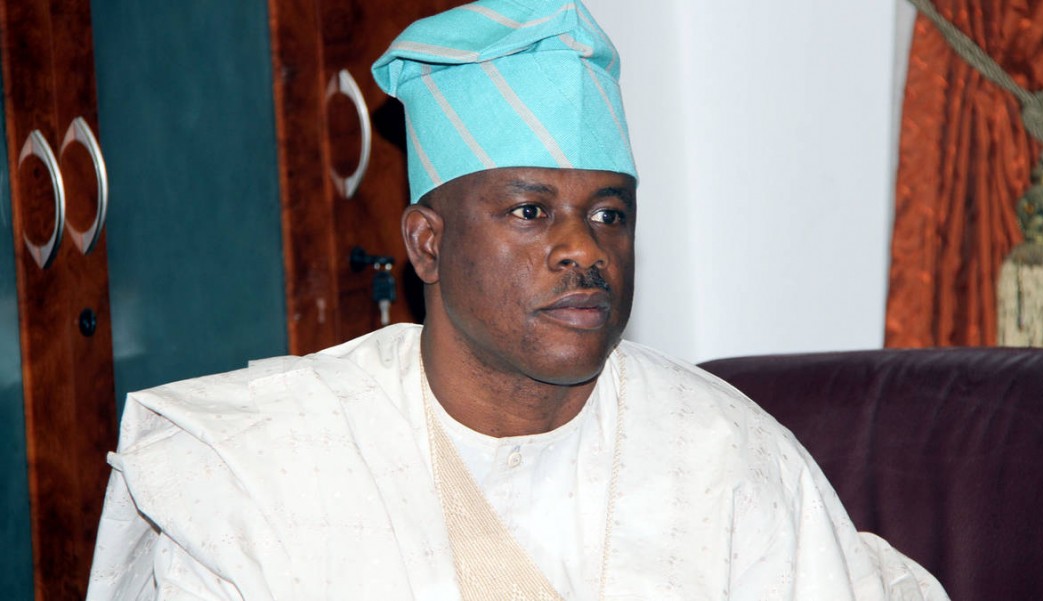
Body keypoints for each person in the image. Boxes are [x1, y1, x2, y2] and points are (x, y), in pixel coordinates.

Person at [87, 1, 948, 599]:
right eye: (531, 212)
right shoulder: (262, 466)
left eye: (610, 214)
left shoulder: (724, 456)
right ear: (427, 243)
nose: (585, 249)